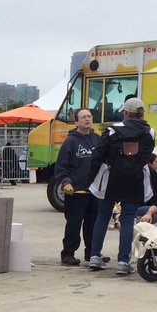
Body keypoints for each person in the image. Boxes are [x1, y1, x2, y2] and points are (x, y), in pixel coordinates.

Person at [87, 96, 155, 274]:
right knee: (127, 218)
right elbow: (146, 156)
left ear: (126, 113)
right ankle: (123, 262)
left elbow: (99, 154)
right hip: (134, 178)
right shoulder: (149, 132)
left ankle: (95, 256)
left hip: (111, 177)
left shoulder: (111, 131)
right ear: (141, 114)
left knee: (103, 215)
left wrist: (91, 176)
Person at [55, 108, 101, 266]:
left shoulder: (98, 139)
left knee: (93, 224)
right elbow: (61, 166)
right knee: (74, 224)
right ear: (76, 122)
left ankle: (92, 253)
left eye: (89, 116)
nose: (87, 119)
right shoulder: (70, 141)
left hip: (94, 190)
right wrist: (66, 182)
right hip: (76, 191)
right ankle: (68, 254)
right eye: (83, 117)